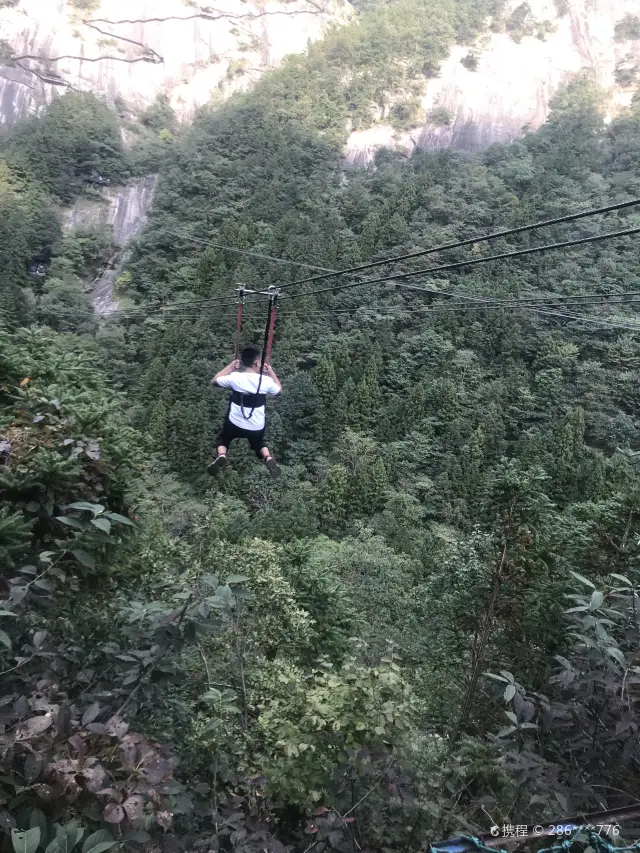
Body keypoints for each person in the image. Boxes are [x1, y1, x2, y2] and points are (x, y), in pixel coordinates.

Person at [208, 345, 282, 477]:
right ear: (257, 363)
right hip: (256, 427)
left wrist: (230, 367)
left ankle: (222, 454)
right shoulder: (265, 381)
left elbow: (214, 381)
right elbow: (279, 391)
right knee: (259, 442)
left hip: (235, 424)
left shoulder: (235, 377)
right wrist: (270, 372)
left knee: (223, 437)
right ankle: (268, 457)